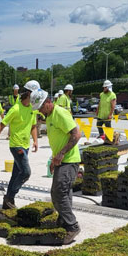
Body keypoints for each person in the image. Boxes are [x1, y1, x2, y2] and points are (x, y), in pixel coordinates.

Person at [36, 90, 82, 244]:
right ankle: (64, 221)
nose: (40, 111)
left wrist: (61, 154)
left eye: (41, 107)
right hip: (62, 160)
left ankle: (72, 225)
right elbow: (59, 140)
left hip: (69, 160)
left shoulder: (60, 113)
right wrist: (54, 160)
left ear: (48, 102)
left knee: (58, 193)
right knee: (64, 192)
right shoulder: (49, 116)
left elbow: (76, 134)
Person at [0, 88, 39, 209]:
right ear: (28, 94)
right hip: (16, 145)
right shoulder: (16, 109)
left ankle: (8, 201)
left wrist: (35, 140)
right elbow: (1, 126)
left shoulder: (32, 109)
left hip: (25, 145)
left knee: (16, 174)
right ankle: (10, 197)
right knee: (26, 173)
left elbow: (33, 126)